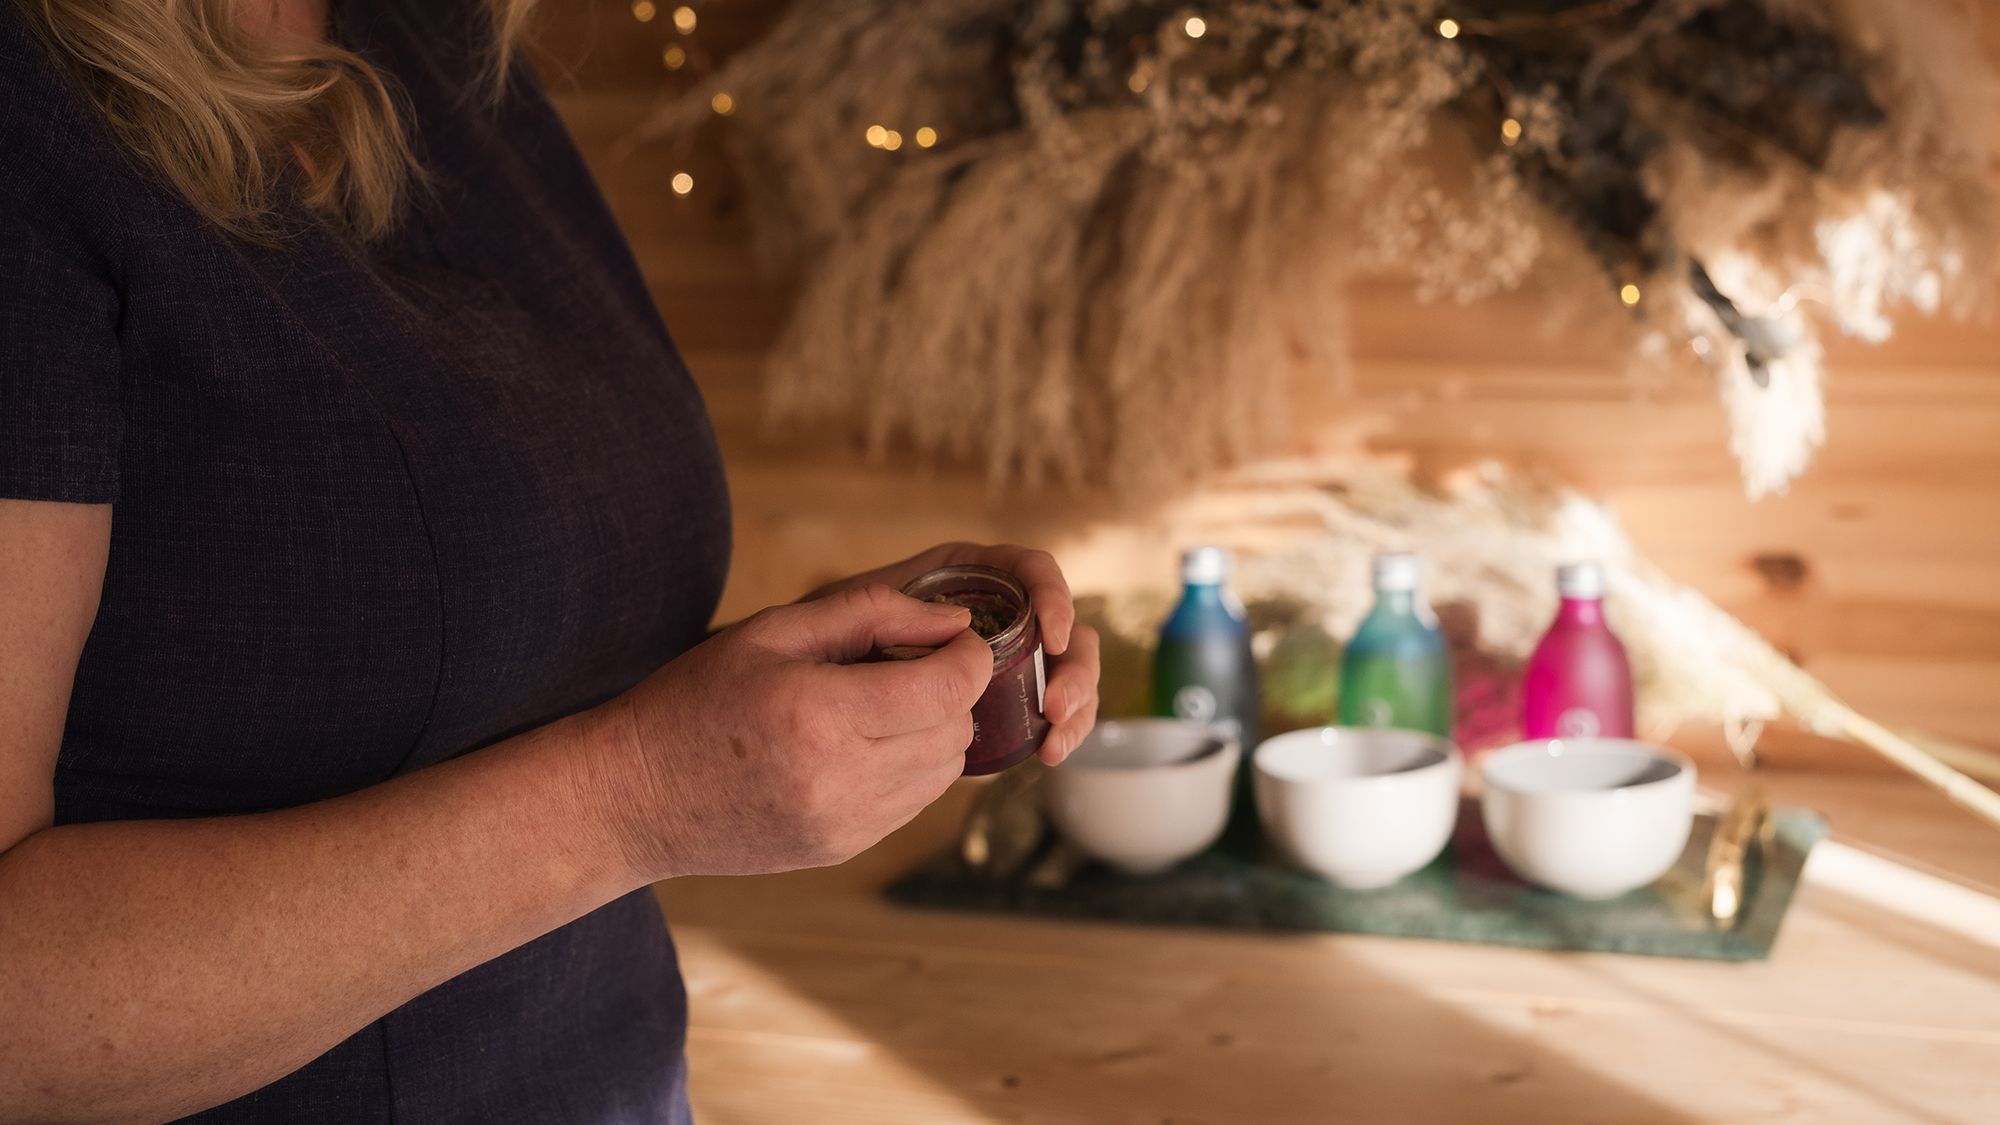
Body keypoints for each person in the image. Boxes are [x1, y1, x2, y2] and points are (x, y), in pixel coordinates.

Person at [0, 1, 1102, 1121]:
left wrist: (820, 681)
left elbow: (449, 661)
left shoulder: (424, 34)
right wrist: (638, 796)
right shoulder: (31, 114)